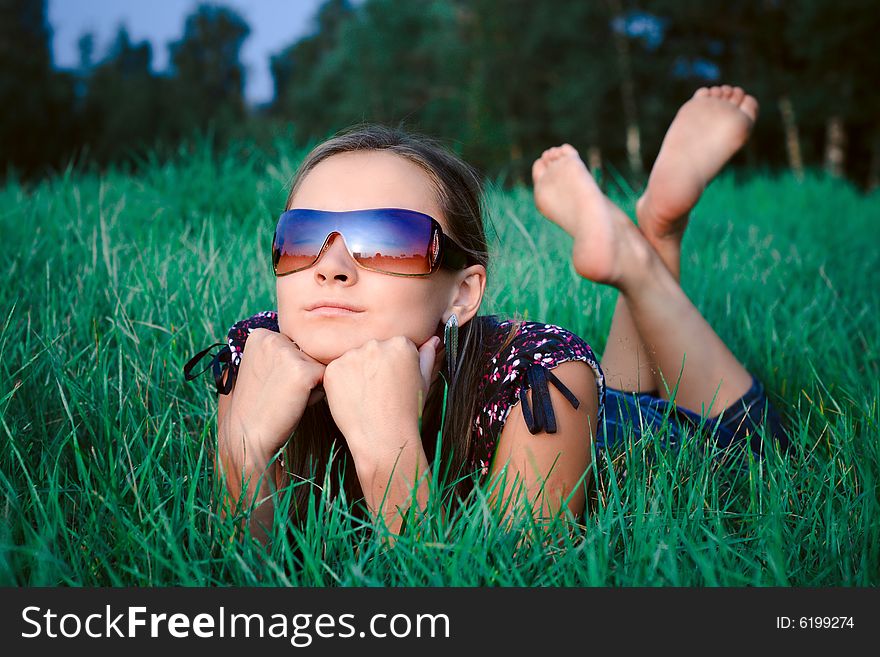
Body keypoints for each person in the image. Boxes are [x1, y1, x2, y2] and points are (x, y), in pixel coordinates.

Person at [183, 85, 789, 543]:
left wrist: (387, 448)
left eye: (387, 238)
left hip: (619, 436)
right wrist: (245, 451)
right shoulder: (259, 358)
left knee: (756, 447)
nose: (330, 266)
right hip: (592, 416)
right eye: (302, 236)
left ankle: (648, 241)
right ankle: (639, 236)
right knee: (625, 382)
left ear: (463, 293)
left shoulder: (540, 379)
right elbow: (240, 584)